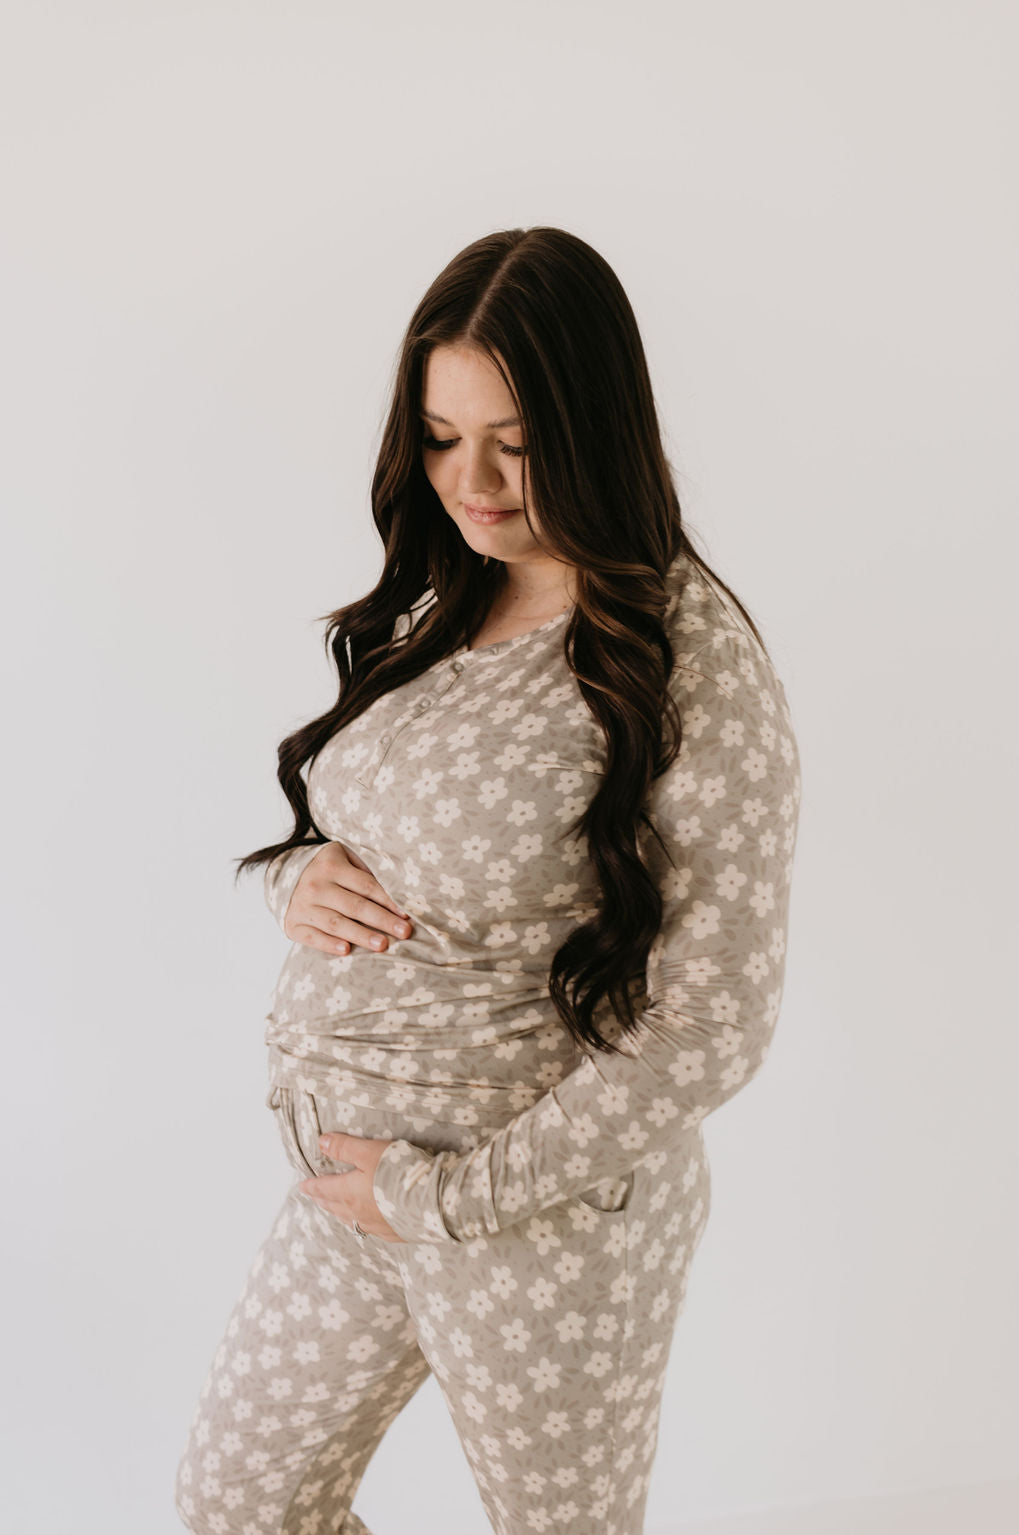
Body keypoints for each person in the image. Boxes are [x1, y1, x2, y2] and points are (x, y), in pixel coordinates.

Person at [173, 226, 802, 1535]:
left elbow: (710, 1024)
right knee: (241, 1503)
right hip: (350, 1179)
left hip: (537, 1218)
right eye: (444, 437)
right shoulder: (442, 600)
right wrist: (295, 875)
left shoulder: (688, 655)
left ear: (595, 423)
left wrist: (449, 1197)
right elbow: (365, 819)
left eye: (513, 440)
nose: (473, 480)